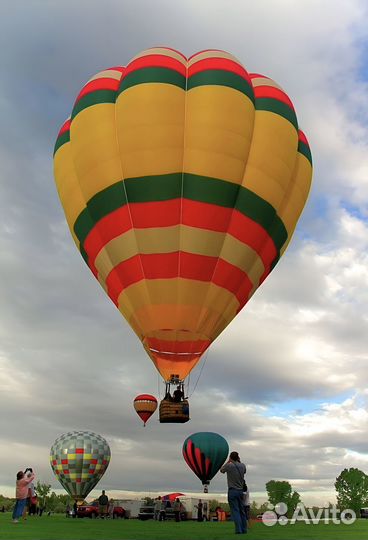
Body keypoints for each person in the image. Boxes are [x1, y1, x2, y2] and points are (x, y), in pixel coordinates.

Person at [220, 451, 247, 534]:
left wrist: (228, 461)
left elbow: (221, 470)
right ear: (238, 457)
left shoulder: (229, 465)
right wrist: (238, 461)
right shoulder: (243, 466)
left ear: (230, 458)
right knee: (242, 510)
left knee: (235, 511)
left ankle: (238, 530)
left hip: (232, 491)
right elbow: (244, 471)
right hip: (240, 491)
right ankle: (244, 529)